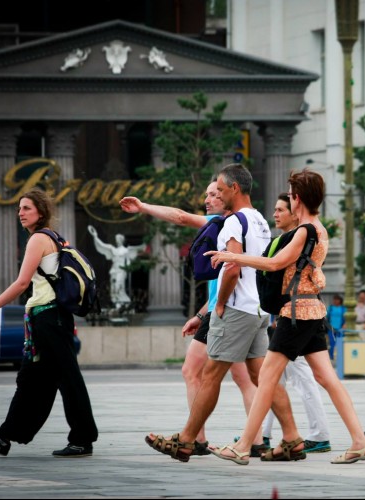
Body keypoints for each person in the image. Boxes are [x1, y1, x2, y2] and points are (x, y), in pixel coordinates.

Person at [207, 169, 365, 465]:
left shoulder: (305, 231)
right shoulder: (320, 229)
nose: (289, 199)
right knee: (326, 377)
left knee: (268, 378)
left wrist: (234, 256)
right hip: (312, 312)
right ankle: (360, 442)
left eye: (291, 194)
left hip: (295, 314)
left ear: (298, 198)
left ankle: (243, 445)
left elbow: (274, 264)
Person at [143, 163, 298, 462]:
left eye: (221, 190)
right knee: (261, 376)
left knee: (210, 374)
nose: (218, 194)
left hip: (238, 309)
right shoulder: (260, 221)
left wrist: (221, 303)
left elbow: (232, 267)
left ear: (234, 189)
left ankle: (187, 440)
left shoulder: (232, 222)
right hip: (258, 309)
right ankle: (292, 437)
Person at [119, 179, 267, 457]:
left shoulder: (227, 223)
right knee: (246, 378)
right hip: (238, 309)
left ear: (230, 193)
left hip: (229, 310)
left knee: (197, 371)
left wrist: (143, 207)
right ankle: (257, 440)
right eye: (208, 194)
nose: (210, 198)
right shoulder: (252, 221)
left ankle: (197, 438)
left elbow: (180, 217)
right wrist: (202, 313)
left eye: (216, 193)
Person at [0, 188, 98, 458]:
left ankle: (83, 439)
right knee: (31, 381)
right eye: (19, 209)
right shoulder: (52, 238)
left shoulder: (39, 239)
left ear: (40, 211)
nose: (21, 213)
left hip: (49, 318)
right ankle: (4, 438)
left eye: (27, 208)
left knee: (67, 379)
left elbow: (21, 283)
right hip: (47, 319)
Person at [260, 192, 332, 454]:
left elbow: (280, 270)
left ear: (295, 211)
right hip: (285, 316)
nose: (277, 213)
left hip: (297, 317)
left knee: (302, 378)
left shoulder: (302, 237)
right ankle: (262, 435)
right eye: (276, 209)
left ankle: (319, 434)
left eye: (282, 208)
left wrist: (235, 258)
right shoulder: (284, 240)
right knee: (272, 379)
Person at [87, 225, 145, 309]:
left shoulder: (126, 250)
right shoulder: (113, 249)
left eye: (118, 239)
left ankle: (122, 302)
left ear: (121, 240)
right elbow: (102, 246)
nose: (117, 241)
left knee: (119, 285)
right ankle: (116, 302)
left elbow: (139, 250)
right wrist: (95, 236)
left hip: (121, 270)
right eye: (116, 239)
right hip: (114, 270)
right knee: (113, 287)